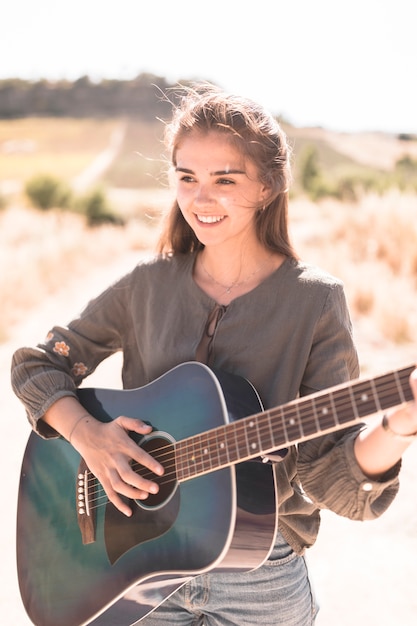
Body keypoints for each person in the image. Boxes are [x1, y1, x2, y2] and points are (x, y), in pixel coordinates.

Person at [11, 84, 417, 626]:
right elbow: (37, 366)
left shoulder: (316, 301)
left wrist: (398, 426)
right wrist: (89, 436)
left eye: (225, 179)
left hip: (259, 574)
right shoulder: (146, 286)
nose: (202, 199)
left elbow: (330, 478)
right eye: (187, 178)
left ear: (268, 186)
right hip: (137, 565)